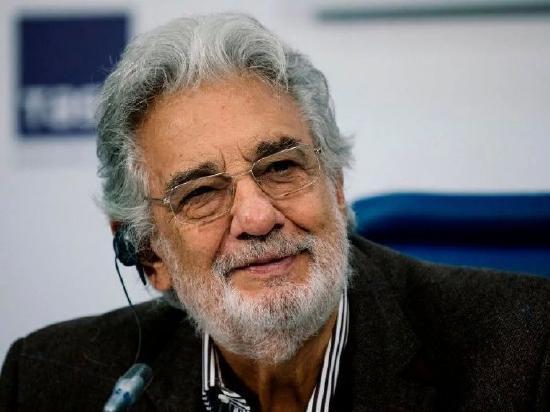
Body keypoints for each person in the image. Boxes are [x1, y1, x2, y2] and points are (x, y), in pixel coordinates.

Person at [1, 13, 549, 412]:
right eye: (201, 194)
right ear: (148, 253)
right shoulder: (53, 382)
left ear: (336, 186)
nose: (258, 217)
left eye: (282, 167)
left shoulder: (525, 352)